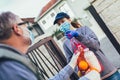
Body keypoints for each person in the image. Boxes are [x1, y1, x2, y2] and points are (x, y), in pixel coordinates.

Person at [0, 11, 101, 80]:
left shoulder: (13, 60)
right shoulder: (8, 66)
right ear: (17, 28)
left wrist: (72, 64)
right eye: (25, 24)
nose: (28, 29)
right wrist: (90, 77)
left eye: (63, 21)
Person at [53, 12, 120, 80]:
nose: (61, 24)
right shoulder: (66, 44)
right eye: (59, 24)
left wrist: (78, 35)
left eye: (63, 21)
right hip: (90, 77)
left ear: (69, 20)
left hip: (108, 72)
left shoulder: (84, 30)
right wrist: (82, 71)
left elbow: (96, 45)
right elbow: (71, 63)